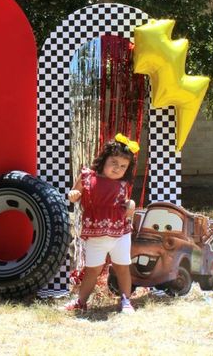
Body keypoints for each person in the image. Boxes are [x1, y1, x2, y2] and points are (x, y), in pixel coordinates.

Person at [64, 133, 138, 314]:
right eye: (114, 162)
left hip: (120, 233)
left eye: (123, 166)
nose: (117, 168)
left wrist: (132, 205)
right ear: (104, 159)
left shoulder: (122, 184)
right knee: (92, 270)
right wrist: (73, 195)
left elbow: (126, 204)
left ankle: (126, 301)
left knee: (122, 268)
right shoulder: (87, 177)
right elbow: (75, 195)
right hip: (96, 234)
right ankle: (81, 302)